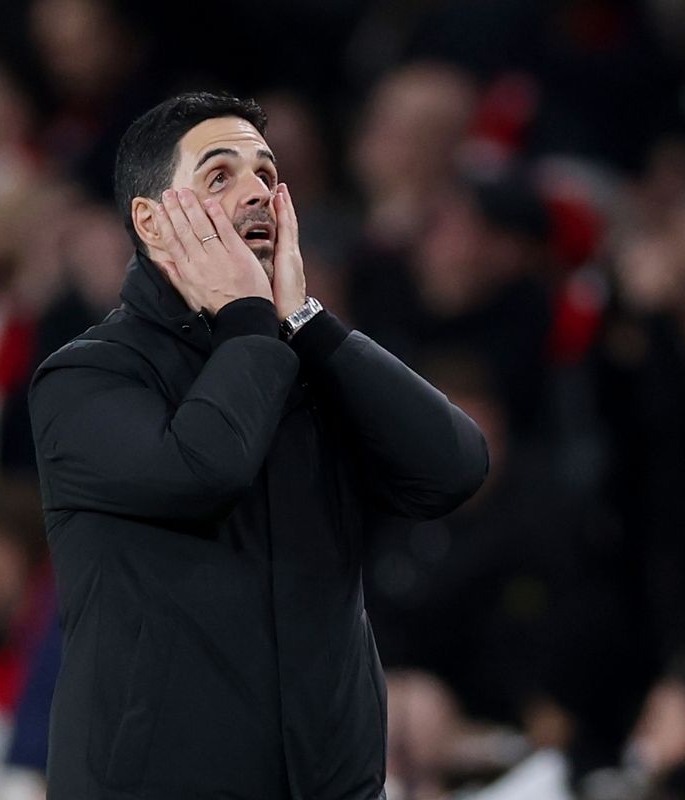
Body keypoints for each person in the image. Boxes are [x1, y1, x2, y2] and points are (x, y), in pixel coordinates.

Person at [28, 91, 489, 799]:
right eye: (220, 176)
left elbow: (453, 469)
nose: (259, 193)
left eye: (267, 175)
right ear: (151, 220)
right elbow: (203, 468)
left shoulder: (310, 360)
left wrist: (306, 320)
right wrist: (249, 318)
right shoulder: (86, 376)